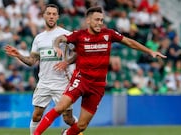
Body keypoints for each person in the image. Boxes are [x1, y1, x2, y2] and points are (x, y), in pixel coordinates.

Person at [33, 6, 166, 135]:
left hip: (98, 85)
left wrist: (149, 51)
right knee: (61, 107)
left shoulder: (109, 34)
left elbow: (129, 42)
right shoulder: (79, 35)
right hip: (81, 80)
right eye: (97, 19)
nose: (100, 23)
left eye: (102, 20)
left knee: (82, 125)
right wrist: (56, 46)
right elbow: (60, 38)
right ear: (88, 21)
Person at [4, 4, 79, 135]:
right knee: (36, 116)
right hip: (44, 82)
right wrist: (19, 55)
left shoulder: (66, 34)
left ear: (57, 17)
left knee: (68, 118)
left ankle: (76, 131)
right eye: (48, 13)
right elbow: (32, 61)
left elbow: (79, 52)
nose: (51, 16)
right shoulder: (39, 38)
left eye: (54, 14)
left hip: (62, 83)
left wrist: (66, 62)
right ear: (44, 16)